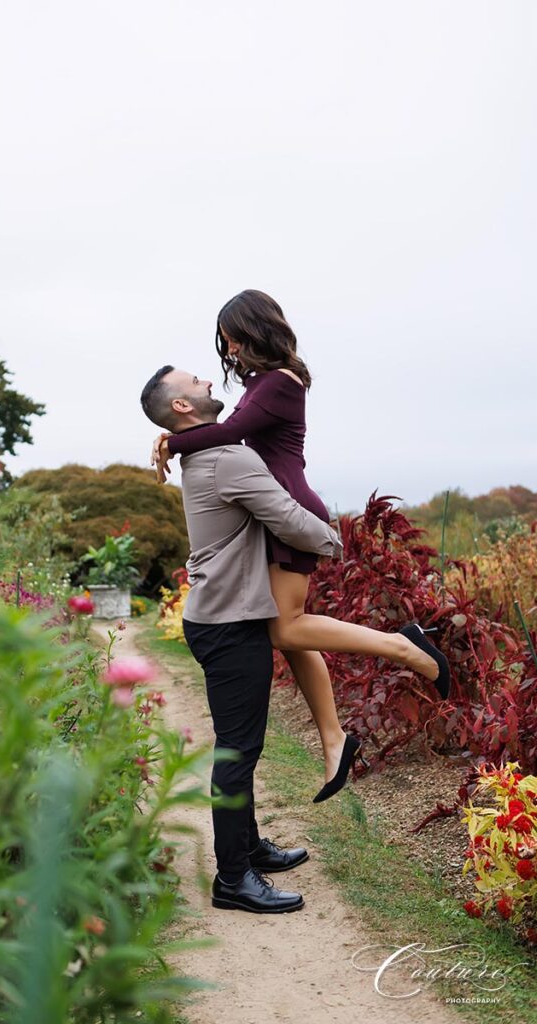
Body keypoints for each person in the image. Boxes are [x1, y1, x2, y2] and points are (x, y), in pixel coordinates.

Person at [151, 290, 450, 803]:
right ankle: (334, 742)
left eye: (231, 338)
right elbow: (233, 433)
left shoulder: (280, 384)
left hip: (291, 512)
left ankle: (405, 646)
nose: (227, 348)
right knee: (286, 633)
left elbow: (234, 432)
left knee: (287, 626)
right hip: (277, 512)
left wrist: (171, 443)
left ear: (251, 333)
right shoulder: (260, 384)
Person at [140, 364, 344, 913]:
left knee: (241, 746)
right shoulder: (227, 458)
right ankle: (233, 878)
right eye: (195, 383)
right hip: (229, 625)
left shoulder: (205, 453)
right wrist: (333, 540)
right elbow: (286, 518)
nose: (209, 381)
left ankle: (249, 848)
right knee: (238, 750)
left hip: (224, 617)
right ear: (182, 407)